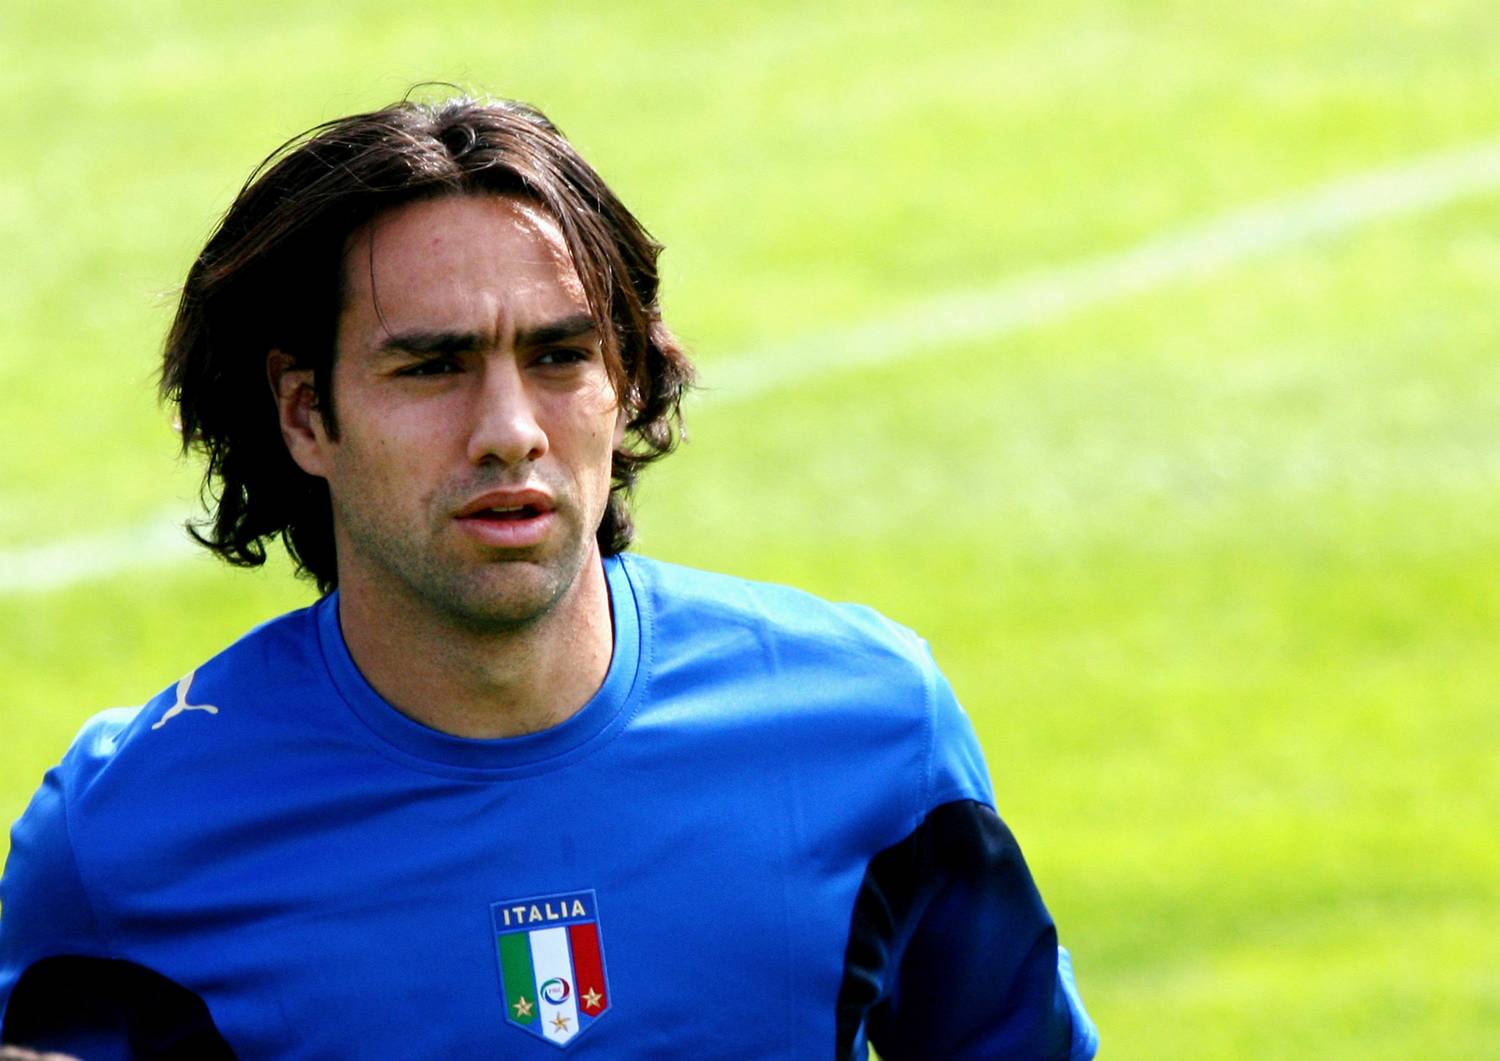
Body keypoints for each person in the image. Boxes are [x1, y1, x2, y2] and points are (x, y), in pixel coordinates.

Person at [0, 95, 1099, 1059]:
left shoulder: (871, 727)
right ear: (305, 413)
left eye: (560, 356)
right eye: (433, 366)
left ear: (626, 385)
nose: (509, 430)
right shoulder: (126, 836)